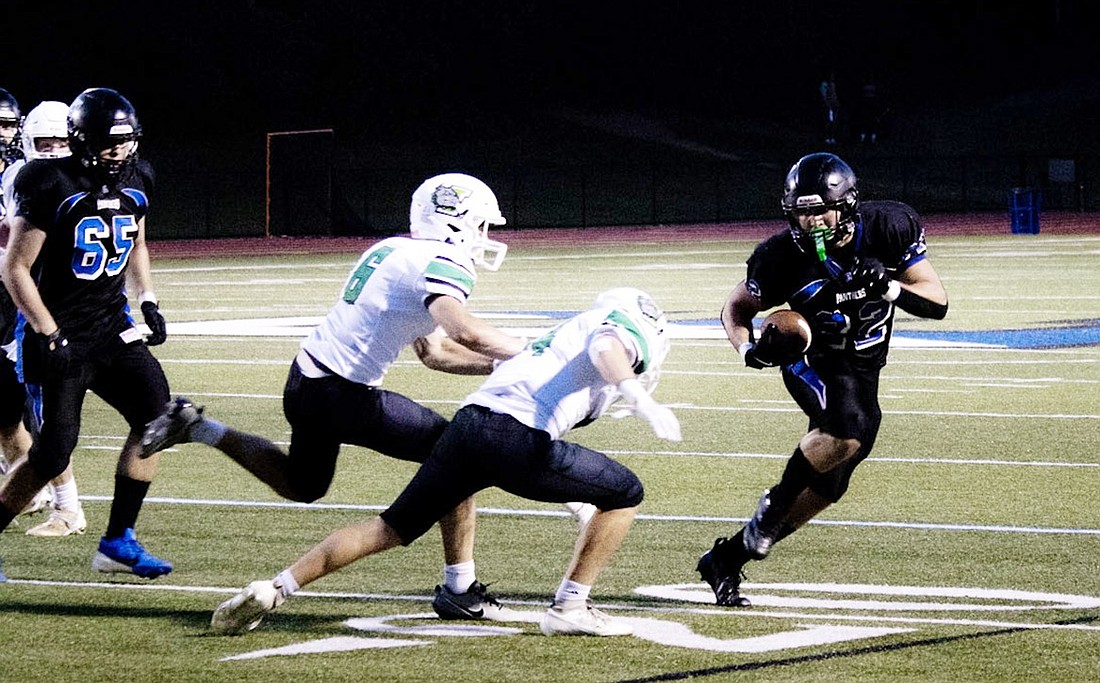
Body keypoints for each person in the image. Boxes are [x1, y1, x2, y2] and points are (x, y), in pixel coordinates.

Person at [141, 173, 527, 617]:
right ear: (457, 222)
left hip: (307, 381)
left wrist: (501, 364)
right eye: (480, 225)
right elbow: (464, 331)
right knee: (457, 454)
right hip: (343, 394)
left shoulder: (393, 249)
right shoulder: (442, 261)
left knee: (302, 484)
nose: (484, 236)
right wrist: (536, 352)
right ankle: (460, 588)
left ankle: (200, 427)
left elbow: (435, 351)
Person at [206, 287, 681, 637]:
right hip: (514, 438)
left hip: (469, 424)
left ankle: (277, 587)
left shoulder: (563, 334)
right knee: (624, 492)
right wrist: (637, 395)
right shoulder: (620, 329)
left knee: (389, 527)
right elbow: (607, 349)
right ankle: (571, 606)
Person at [696, 152, 948, 607]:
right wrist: (746, 348)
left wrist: (890, 287)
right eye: (801, 211)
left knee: (831, 484)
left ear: (847, 203)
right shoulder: (778, 256)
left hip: (863, 364)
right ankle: (772, 510)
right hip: (810, 358)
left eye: (819, 209)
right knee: (848, 429)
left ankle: (726, 559)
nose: (810, 221)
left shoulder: (890, 226)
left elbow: (937, 301)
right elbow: (735, 308)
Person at [0, 88, 173, 580]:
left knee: (157, 418)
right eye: (107, 142)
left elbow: (136, 240)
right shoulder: (50, 180)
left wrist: (147, 299)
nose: (118, 152)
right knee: (53, 450)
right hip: (60, 329)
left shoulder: (140, 177)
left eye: (125, 141)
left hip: (110, 325)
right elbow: (16, 268)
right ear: (81, 140)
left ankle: (119, 540)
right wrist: (48, 334)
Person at [0, 100, 87, 537]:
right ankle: (27, 486)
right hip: (22, 299)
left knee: (40, 410)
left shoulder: (29, 176)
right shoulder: (19, 174)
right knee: (7, 410)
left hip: (31, 305)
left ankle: (68, 506)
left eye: (6, 125)